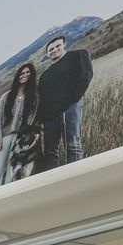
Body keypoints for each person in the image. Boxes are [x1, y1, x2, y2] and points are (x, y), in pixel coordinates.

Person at [34, 35, 93, 173]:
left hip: (70, 107)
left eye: (57, 46)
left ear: (64, 45)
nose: (54, 50)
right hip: (50, 117)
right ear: (48, 54)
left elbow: (85, 76)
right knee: (50, 151)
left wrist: (73, 100)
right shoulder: (45, 75)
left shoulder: (78, 55)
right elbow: (41, 99)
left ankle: (76, 175)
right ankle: (53, 181)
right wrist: (41, 120)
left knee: (73, 144)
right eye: (51, 49)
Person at [0, 62, 41, 190]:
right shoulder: (7, 96)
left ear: (31, 76)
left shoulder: (34, 96)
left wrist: (27, 137)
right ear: (17, 76)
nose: (24, 75)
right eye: (22, 73)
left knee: (12, 172)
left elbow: (32, 117)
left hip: (20, 140)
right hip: (3, 138)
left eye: (27, 73)